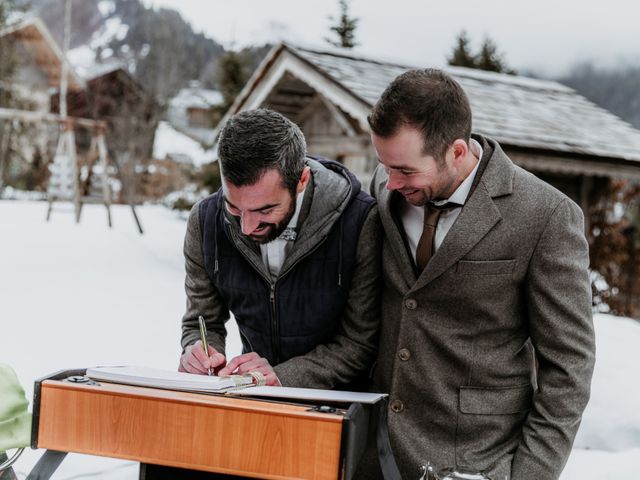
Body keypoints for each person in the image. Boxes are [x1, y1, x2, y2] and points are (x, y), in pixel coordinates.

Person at [362, 69, 595, 479]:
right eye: (385, 166)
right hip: (375, 454)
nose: (391, 181)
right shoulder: (388, 185)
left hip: (476, 460)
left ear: (456, 151)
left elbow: (568, 369)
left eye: (405, 170)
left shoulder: (546, 216)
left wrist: (528, 474)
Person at [178, 108, 380, 390]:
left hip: (336, 410)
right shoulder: (205, 222)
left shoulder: (359, 221)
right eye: (233, 207)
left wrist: (284, 376)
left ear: (301, 181)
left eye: (266, 209)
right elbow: (201, 321)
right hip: (252, 397)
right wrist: (198, 352)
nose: (246, 227)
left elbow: (358, 343)